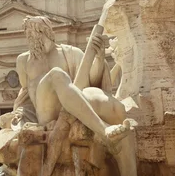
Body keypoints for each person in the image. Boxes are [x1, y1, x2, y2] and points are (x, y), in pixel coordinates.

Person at [11, 16, 134, 151]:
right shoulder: (23, 60)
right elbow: (25, 94)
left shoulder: (70, 52)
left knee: (59, 75)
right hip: (45, 114)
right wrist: (19, 115)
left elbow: (91, 81)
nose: (32, 37)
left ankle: (105, 131)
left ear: (48, 32)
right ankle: (104, 130)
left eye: (36, 32)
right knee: (56, 74)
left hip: (72, 108)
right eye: (28, 33)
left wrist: (99, 58)